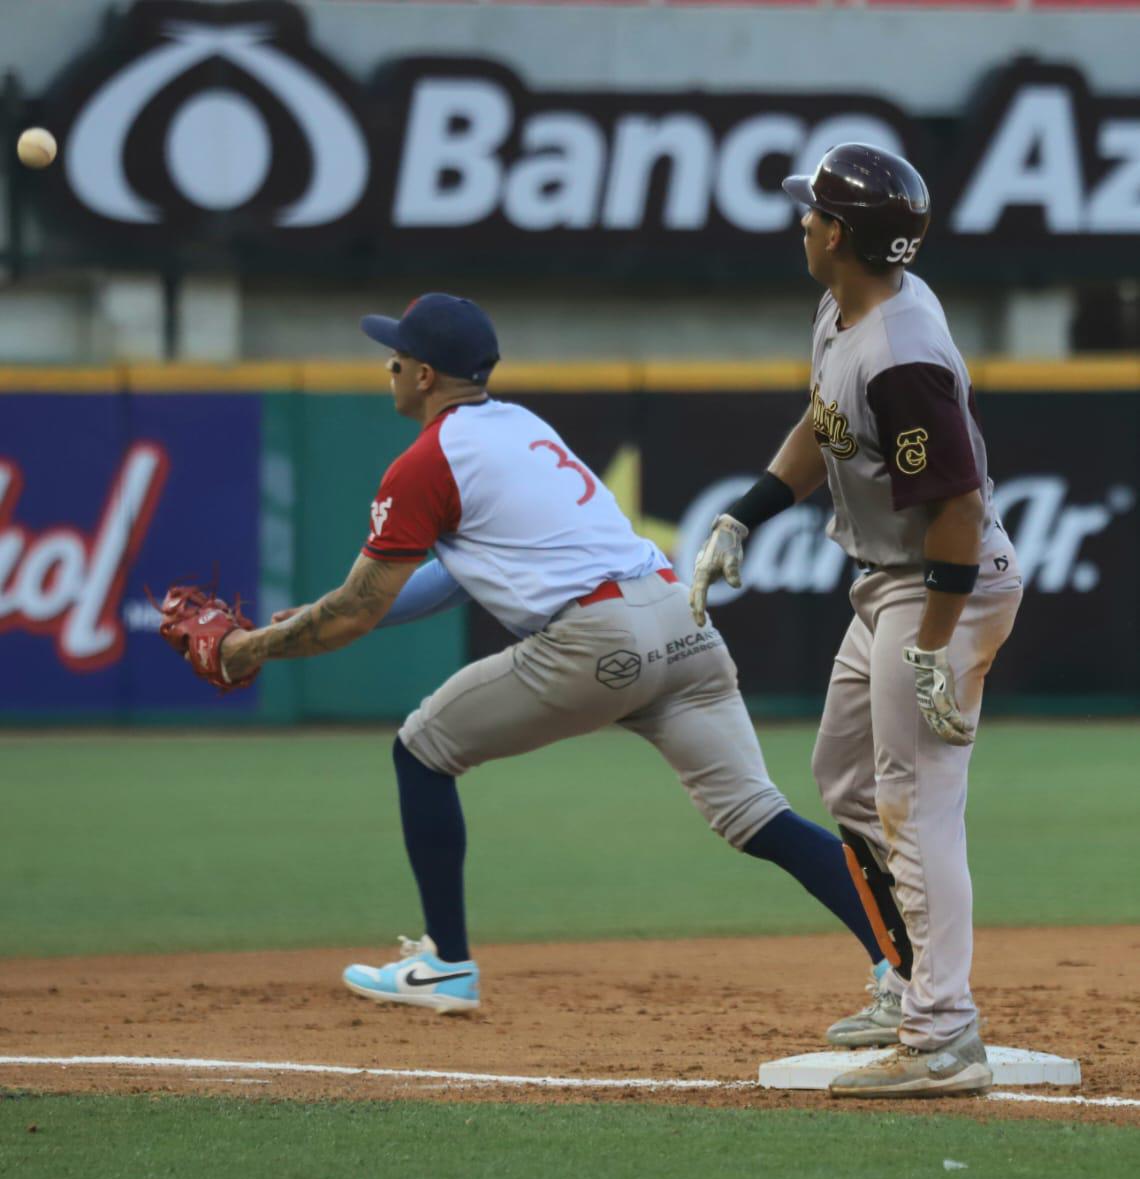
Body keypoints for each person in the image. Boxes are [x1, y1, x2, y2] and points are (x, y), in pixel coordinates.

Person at [219, 291, 891, 1014]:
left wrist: (251, 648)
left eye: (397, 356)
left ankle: (446, 964)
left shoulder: (427, 461)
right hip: (680, 620)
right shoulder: (518, 426)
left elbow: (353, 609)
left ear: (423, 376)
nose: (388, 365)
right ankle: (900, 968)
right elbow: (446, 578)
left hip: (599, 639)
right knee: (760, 815)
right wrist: (331, 619)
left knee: (421, 749)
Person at [689, 145, 1023, 1098]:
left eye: (812, 213)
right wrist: (742, 512)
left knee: (916, 808)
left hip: (941, 588)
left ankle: (944, 1033)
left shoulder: (902, 354)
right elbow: (821, 427)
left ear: (838, 235)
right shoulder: (848, 305)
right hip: (894, 584)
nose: (802, 223)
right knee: (844, 777)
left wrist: (931, 651)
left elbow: (955, 508)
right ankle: (912, 981)